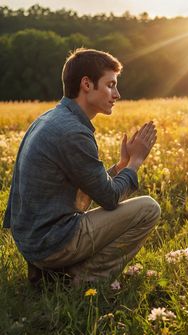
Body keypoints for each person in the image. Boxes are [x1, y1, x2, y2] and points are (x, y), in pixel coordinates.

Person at [3, 48, 161, 286]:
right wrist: (136, 161)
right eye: (110, 85)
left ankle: (49, 273)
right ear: (86, 84)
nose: (117, 94)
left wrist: (122, 165)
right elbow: (108, 198)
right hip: (50, 243)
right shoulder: (73, 131)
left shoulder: (50, 118)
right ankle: (81, 280)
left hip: (33, 241)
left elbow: (91, 186)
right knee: (149, 208)